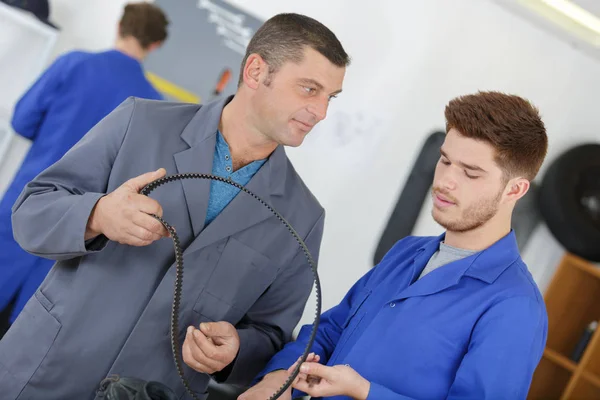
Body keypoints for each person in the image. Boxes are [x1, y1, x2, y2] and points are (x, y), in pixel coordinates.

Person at [0, 12, 349, 400]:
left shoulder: (304, 217)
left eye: (329, 97)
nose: (320, 112)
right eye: (309, 89)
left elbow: (271, 334)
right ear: (255, 71)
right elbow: (32, 209)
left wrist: (236, 350)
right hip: (43, 372)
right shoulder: (140, 121)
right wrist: (98, 215)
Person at [242, 91, 549, 400]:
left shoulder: (515, 307)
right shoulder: (407, 252)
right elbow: (330, 331)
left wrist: (365, 392)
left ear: (515, 189)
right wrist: (279, 378)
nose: (445, 181)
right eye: (445, 160)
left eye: (470, 172)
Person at [0, 1, 169, 336]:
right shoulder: (154, 106)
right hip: (78, 233)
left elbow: (23, 120)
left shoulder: (74, 64)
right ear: (155, 45)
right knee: (22, 338)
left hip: (26, 207)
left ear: (120, 26)